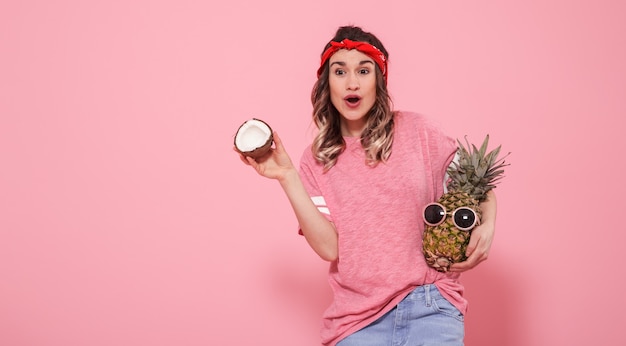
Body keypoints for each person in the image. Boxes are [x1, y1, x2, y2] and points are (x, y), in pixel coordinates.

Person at [236, 25, 497, 346]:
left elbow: (473, 186)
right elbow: (330, 248)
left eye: (363, 70)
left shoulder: (420, 132)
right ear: (326, 83)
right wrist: (287, 176)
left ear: (379, 80)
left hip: (430, 307)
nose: (352, 82)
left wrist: (489, 224)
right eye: (340, 71)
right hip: (356, 322)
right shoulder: (315, 160)